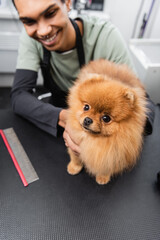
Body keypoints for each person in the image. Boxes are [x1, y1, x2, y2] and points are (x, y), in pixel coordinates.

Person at [11, 0, 155, 155]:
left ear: (67, 3)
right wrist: (63, 117)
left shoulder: (105, 37)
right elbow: (19, 95)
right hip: (57, 120)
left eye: (51, 13)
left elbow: (145, 105)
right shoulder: (31, 40)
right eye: (29, 21)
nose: (43, 31)